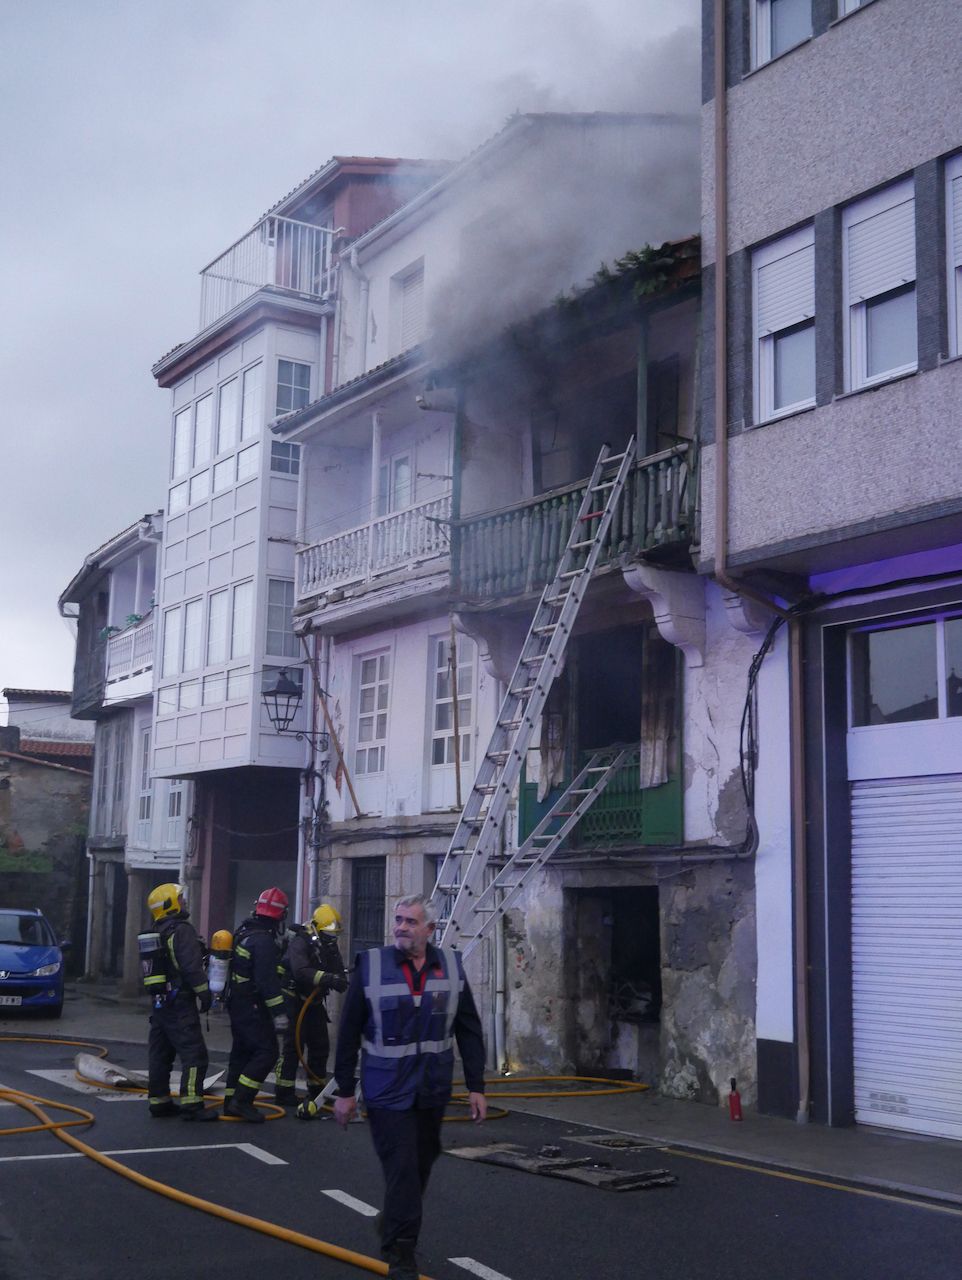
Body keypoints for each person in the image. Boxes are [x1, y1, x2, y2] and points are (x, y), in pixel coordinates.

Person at [333, 894, 487, 1280]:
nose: (400, 927)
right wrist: (345, 1092)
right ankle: (401, 1254)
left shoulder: (450, 966)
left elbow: (468, 1029)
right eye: (398, 920)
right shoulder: (370, 966)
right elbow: (348, 1031)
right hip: (386, 1090)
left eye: (410, 921)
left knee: (423, 1161)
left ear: (430, 930)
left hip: (431, 1089)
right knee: (402, 1168)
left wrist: (476, 1086)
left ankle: (394, 1221)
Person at [144, 882, 217, 1122]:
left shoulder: (158, 931)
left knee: (161, 1054)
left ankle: (159, 1102)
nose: (184, 901)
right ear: (170, 904)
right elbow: (190, 967)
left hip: (160, 1004)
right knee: (195, 1054)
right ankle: (192, 1105)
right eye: (180, 898)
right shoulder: (182, 930)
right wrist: (205, 994)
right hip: (180, 1003)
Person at [224, 886, 290, 1122]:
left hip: (237, 1002)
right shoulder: (263, 942)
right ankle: (242, 1100)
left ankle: (230, 1101)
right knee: (267, 1052)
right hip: (252, 1006)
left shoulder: (244, 931)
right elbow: (267, 983)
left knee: (241, 1052)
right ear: (279, 915)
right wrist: (280, 1014)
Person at [273, 902, 349, 1110]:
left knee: (320, 1044)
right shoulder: (301, 941)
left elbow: (337, 968)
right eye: (329, 934)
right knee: (293, 1045)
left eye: (334, 935)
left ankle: (317, 1089)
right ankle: (283, 1091)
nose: (332, 939)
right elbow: (301, 971)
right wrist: (328, 979)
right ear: (317, 927)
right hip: (293, 999)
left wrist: (340, 978)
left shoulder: (328, 944)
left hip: (313, 1002)